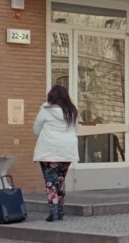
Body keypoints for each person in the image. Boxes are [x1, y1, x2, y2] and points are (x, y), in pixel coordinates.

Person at [33, 85, 79, 222]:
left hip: (49, 151)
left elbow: (36, 129)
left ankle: (53, 211)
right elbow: (75, 129)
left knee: (50, 181)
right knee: (60, 179)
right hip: (67, 150)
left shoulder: (45, 110)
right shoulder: (72, 111)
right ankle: (60, 209)